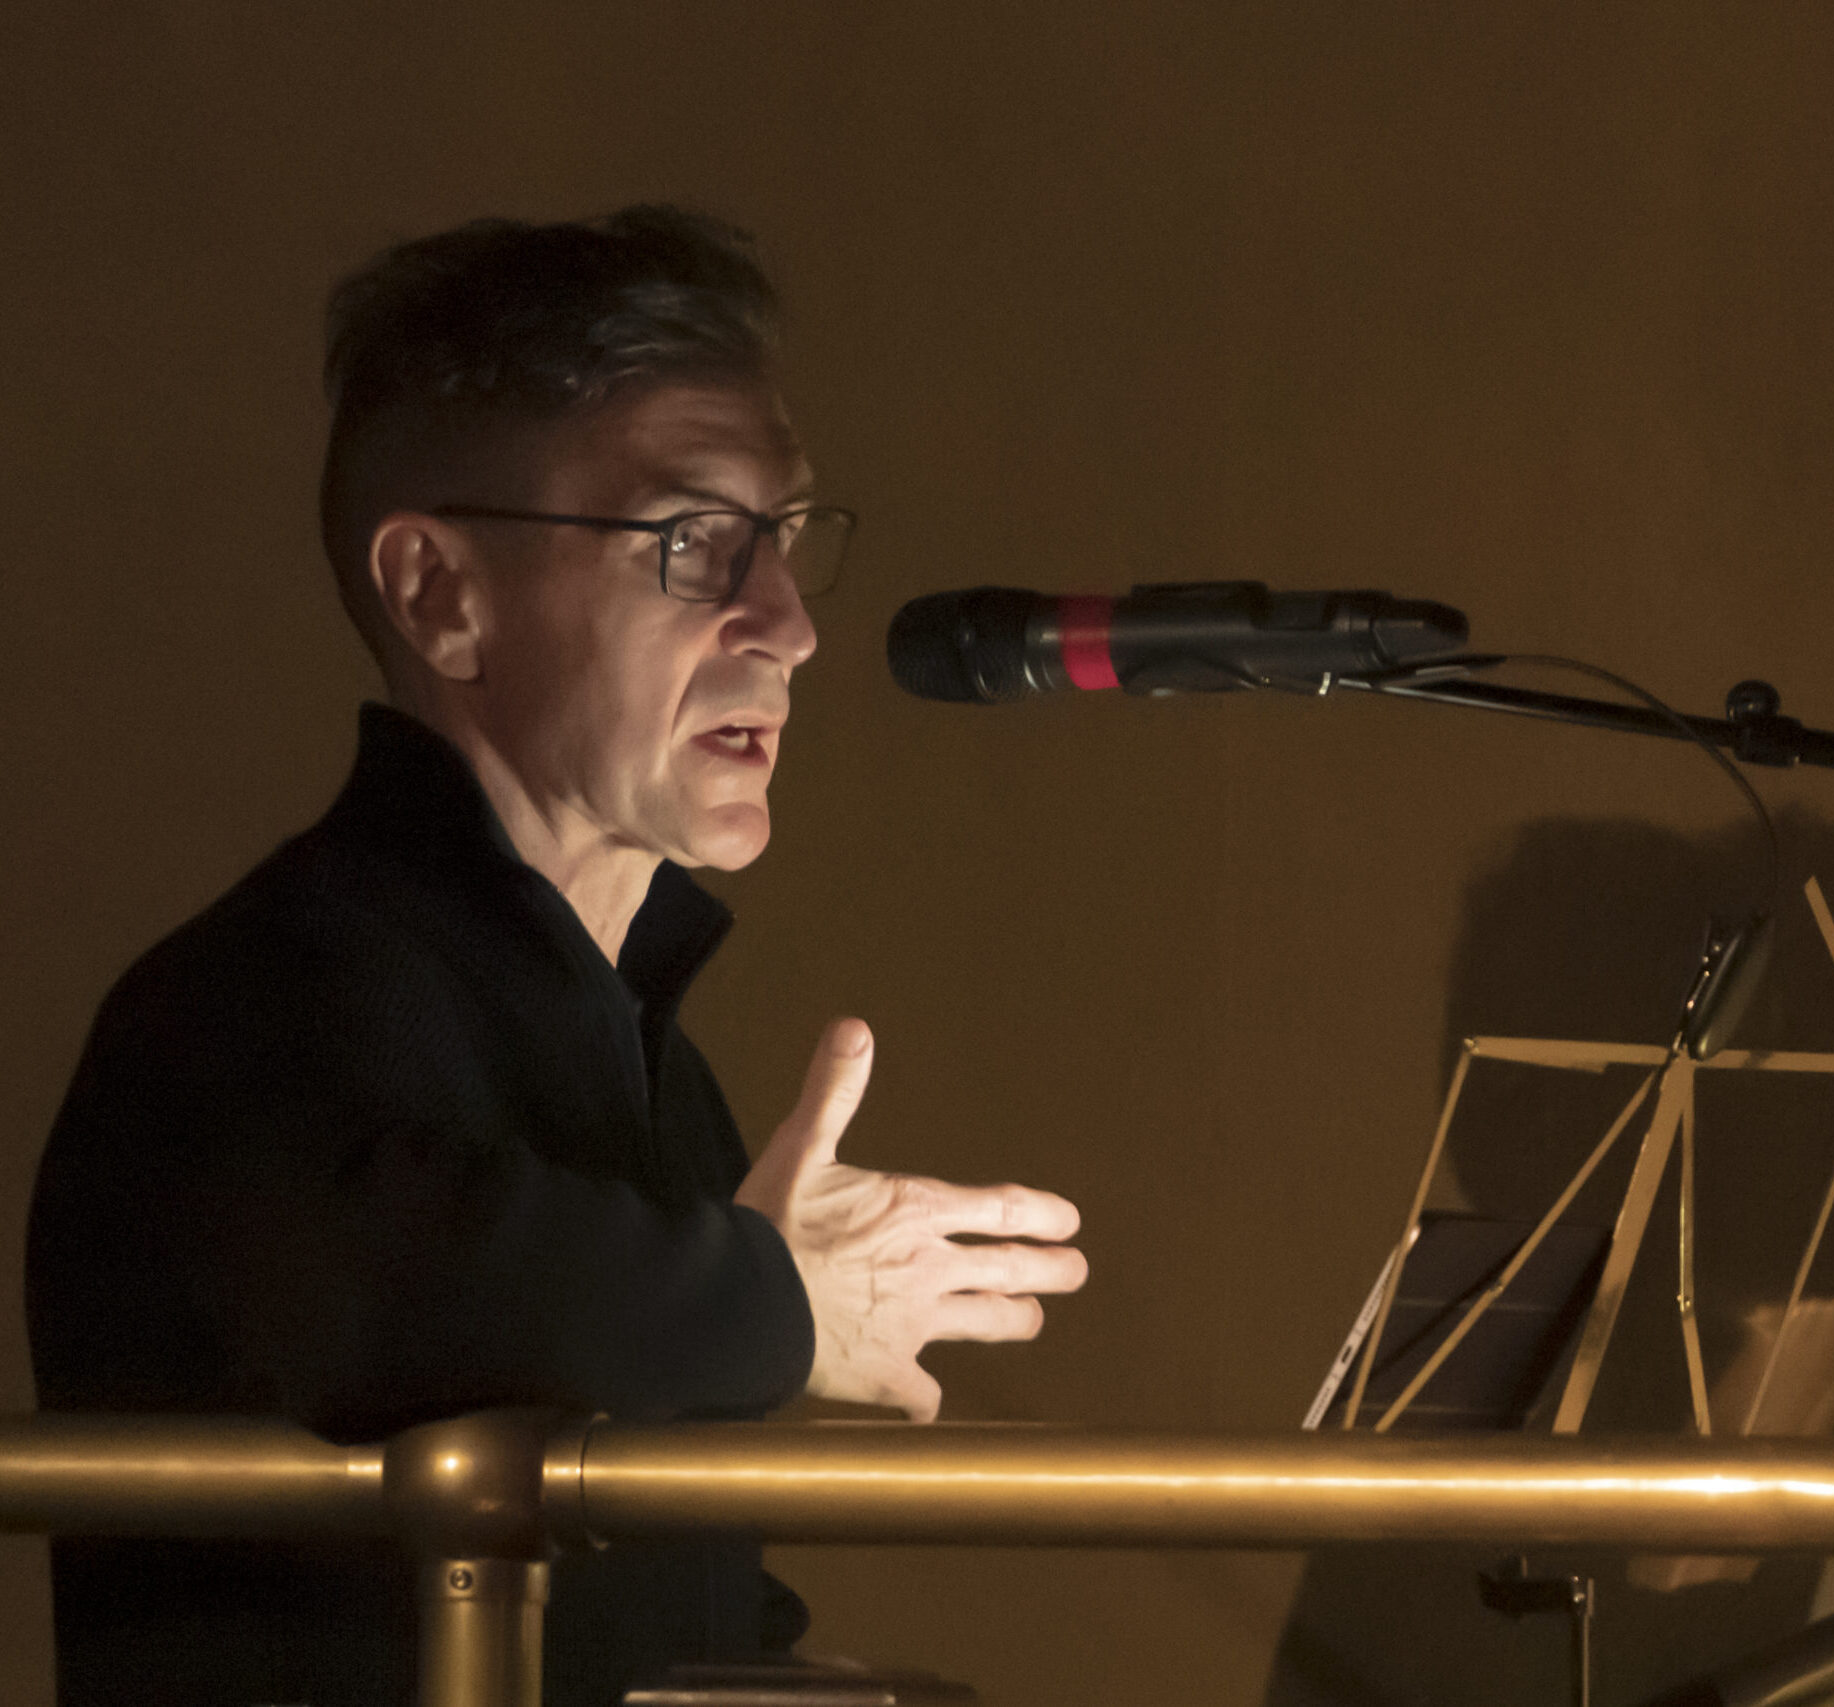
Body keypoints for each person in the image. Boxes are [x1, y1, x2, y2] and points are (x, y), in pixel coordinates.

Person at [24, 205, 1089, 1707]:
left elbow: (664, 1589)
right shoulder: (249, 1005)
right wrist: (781, 1300)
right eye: (691, 542)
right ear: (440, 596)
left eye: (782, 541)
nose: (783, 624)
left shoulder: (656, 1065)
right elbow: (404, 1287)